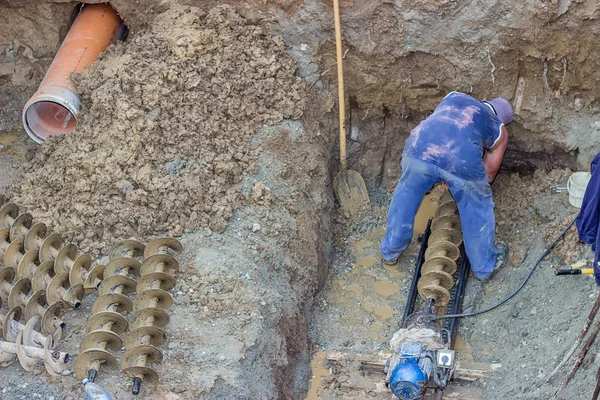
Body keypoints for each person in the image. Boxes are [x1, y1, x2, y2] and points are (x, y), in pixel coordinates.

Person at [380, 91, 513, 280]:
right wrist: (460, 183)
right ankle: (485, 267)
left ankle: (390, 251)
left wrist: (443, 174)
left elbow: (443, 131)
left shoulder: (453, 97)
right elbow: (489, 173)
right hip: (460, 160)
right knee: (477, 206)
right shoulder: (498, 128)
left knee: (407, 194)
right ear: (500, 117)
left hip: (418, 148)